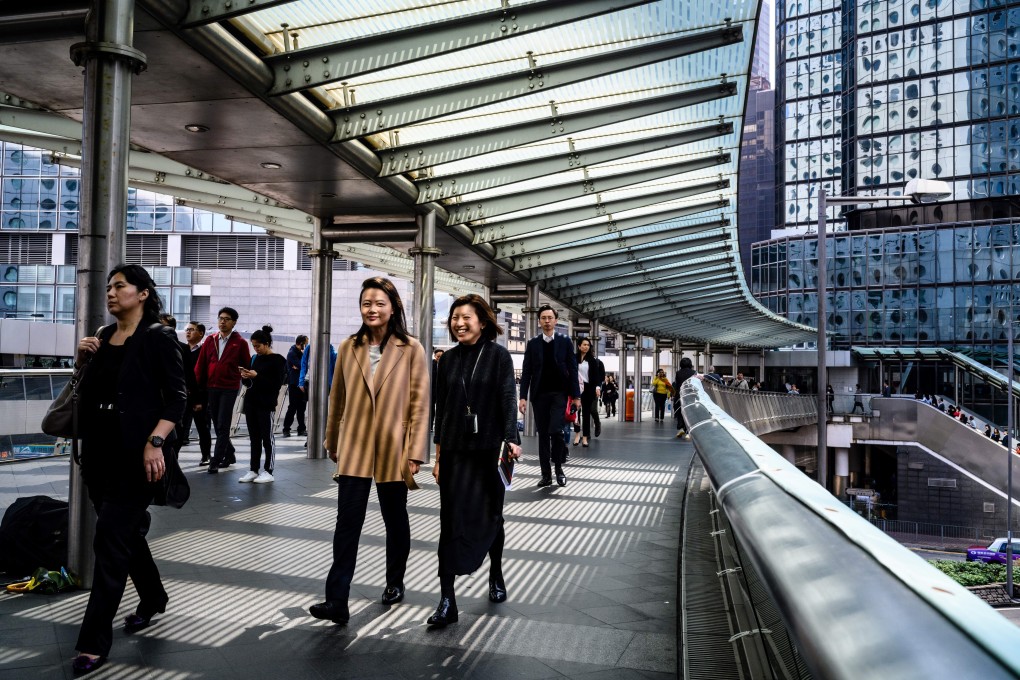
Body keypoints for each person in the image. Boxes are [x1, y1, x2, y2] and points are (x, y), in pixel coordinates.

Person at [70, 264, 187, 675]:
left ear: (142, 294)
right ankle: (153, 597)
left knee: (109, 543)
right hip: (99, 457)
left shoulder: (158, 337)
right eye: (108, 287)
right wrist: (82, 361)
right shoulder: (103, 337)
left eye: (120, 286)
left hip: (137, 461)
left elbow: (177, 399)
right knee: (126, 536)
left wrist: (156, 443)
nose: (111, 292)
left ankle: (93, 642)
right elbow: (90, 392)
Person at [309, 277, 429, 626]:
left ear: (393, 307)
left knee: (395, 519)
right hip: (356, 444)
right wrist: (332, 440)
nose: (372, 309)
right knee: (347, 522)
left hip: (394, 447)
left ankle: (394, 581)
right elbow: (337, 397)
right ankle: (337, 600)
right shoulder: (349, 347)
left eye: (379, 303)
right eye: (366, 304)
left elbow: (421, 404)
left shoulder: (412, 348)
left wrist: (415, 451)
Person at [427, 294, 522, 627]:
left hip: (489, 452)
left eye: (466, 316)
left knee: (491, 516)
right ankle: (447, 600)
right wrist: (437, 457)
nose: (459, 323)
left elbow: (508, 399)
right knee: (450, 523)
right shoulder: (446, 361)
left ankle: (495, 573)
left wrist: (511, 438)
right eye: (454, 317)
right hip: (454, 452)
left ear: (483, 321)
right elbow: (440, 411)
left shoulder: (498, 357)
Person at [518, 304, 580, 488]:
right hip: (539, 395)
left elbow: (573, 368)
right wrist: (523, 397)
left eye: (550, 318)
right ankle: (546, 475)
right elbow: (527, 371)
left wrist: (576, 395)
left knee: (556, 430)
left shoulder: (564, 341)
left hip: (559, 393)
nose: (547, 321)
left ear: (555, 320)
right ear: (539, 321)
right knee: (543, 435)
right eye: (543, 318)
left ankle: (559, 469)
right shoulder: (533, 343)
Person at [195, 306, 250, 473]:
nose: (223, 322)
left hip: (229, 388)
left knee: (222, 423)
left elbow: (247, 365)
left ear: (234, 322)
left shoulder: (239, 343)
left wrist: (239, 375)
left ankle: (215, 460)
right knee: (217, 424)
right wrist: (196, 388)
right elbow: (201, 366)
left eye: (227, 319)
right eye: (220, 318)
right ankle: (230, 453)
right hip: (211, 387)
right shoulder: (210, 340)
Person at [238, 325, 287, 484]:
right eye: (253, 346)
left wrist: (257, 375)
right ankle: (253, 469)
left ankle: (268, 470)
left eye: (258, 346)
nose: (256, 349)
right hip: (252, 402)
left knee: (267, 438)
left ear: (266, 344)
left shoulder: (278, 360)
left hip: (266, 404)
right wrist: (245, 376)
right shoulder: (255, 358)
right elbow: (249, 383)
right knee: (254, 438)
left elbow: (275, 384)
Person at [180, 322, 211, 463]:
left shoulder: (205, 350)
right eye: (187, 330)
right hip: (183, 393)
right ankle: (173, 457)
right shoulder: (181, 349)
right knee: (180, 427)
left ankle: (206, 455)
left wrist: (199, 397)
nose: (188, 332)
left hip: (200, 394)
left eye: (192, 330)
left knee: (202, 427)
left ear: (201, 333)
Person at [573, 337, 603, 446]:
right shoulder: (574, 358)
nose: (586, 347)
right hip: (576, 388)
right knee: (576, 413)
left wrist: (597, 388)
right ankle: (577, 434)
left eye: (588, 345)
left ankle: (585, 437)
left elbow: (596, 376)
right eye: (584, 344)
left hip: (588, 389)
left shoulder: (592, 360)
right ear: (579, 346)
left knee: (586, 413)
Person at [281, 334, 308, 437]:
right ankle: (286, 429)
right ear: (300, 344)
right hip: (294, 384)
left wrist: (302, 366)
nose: (306, 345)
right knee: (292, 407)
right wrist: (302, 366)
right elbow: (303, 365)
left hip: (302, 383)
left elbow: (305, 366)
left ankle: (301, 429)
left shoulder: (302, 353)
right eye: (305, 343)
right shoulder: (292, 353)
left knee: (302, 408)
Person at [673, 357, 697, 439]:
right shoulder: (694, 372)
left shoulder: (678, 373)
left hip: (680, 395)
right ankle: (687, 432)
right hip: (690, 395)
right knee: (689, 413)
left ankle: (680, 428)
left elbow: (677, 384)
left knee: (680, 412)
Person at [430, 348, 444, 431]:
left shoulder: (446, 364)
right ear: (435, 356)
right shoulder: (431, 364)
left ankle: (440, 427)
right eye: (438, 356)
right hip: (432, 391)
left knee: (441, 409)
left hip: (441, 391)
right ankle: (431, 426)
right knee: (431, 409)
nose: (439, 358)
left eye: (441, 356)